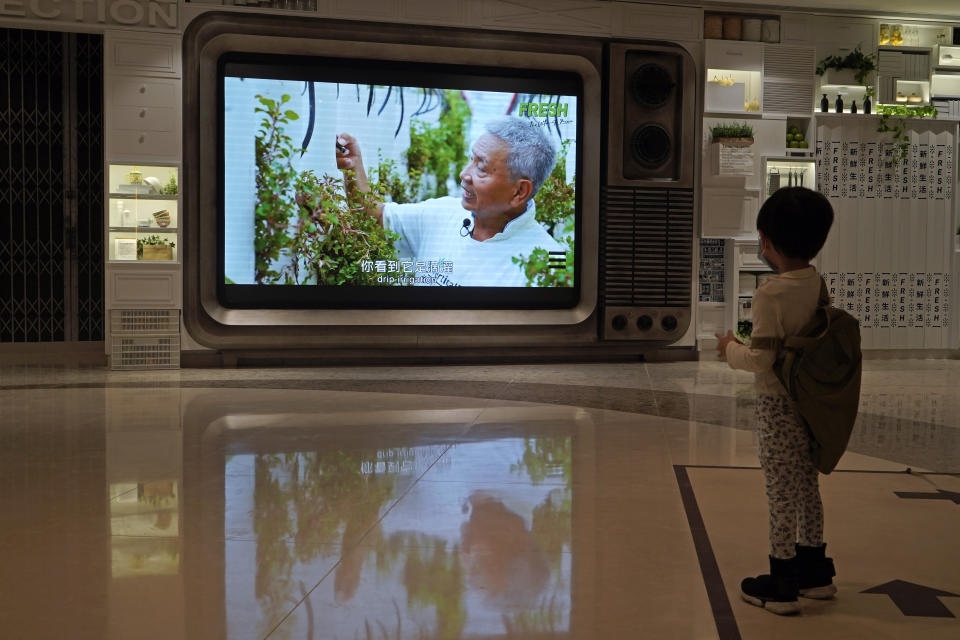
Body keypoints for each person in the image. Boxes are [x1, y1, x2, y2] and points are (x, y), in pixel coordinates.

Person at [715, 186, 837, 616]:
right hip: (810, 402)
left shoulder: (770, 293)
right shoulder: (815, 281)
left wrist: (729, 348)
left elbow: (762, 358)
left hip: (777, 407)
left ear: (766, 241)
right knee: (807, 487)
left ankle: (781, 579)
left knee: (780, 491)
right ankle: (815, 572)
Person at [335, 116, 564, 287]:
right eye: (470, 160)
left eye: (481, 168)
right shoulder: (442, 213)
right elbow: (375, 217)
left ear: (519, 192)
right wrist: (353, 167)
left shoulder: (551, 263)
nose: (464, 174)